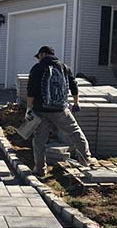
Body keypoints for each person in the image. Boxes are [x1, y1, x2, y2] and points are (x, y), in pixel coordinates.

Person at [26, 46, 92, 177]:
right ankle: (86, 159)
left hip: (41, 110)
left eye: (39, 56)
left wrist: (29, 108)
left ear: (43, 54)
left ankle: (40, 169)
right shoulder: (64, 67)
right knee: (75, 132)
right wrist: (76, 103)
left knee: (39, 140)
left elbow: (31, 90)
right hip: (60, 110)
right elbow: (73, 86)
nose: (38, 59)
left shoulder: (37, 68)